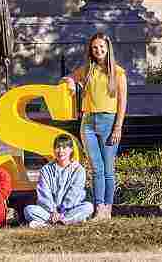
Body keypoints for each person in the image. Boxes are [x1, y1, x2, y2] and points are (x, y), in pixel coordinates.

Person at [61, 32, 128, 220]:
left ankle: (108, 207)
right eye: (94, 48)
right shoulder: (87, 70)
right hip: (88, 122)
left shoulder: (118, 72)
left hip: (109, 122)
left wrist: (118, 127)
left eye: (101, 47)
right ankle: (99, 207)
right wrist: (72, 83)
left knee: (107, 168)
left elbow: (122, 102)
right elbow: (68, 78)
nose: (98, 50)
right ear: (91, 51)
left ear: (108, 49)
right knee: (96, 168)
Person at [23, 134, 94, 228]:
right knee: (29, 210)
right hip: (50, 212)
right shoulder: (46, 169)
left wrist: (61, 211)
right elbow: (44, 193)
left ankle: (50, 223)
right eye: (58, 147)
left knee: (88, 207)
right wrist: (53, 211)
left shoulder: (78, 170)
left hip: (70, 209)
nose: (61, 151)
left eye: (64, 147)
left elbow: (74, 193)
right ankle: (66, 222)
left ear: (71, 149)